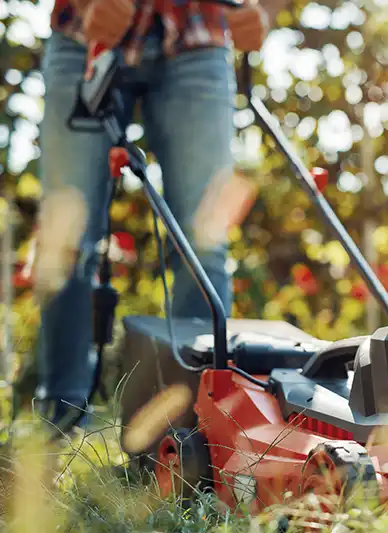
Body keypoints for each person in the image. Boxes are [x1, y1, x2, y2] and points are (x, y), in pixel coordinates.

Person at [34, 0, 284, 432]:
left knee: (202, 242)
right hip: (86, 34)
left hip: (198, 37)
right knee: (66, 240)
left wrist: (267, 10)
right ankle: (60, 423)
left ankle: (199, 425)